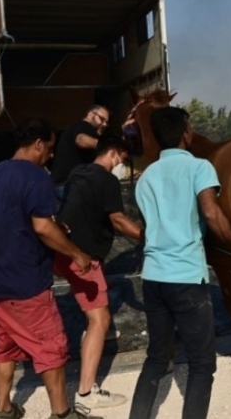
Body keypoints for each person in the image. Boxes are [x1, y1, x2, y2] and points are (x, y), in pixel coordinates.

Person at [128, 106, 231, 419]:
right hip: (185, 276)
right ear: (187, 132)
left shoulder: (145, 177)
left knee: (157, 359)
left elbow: (148, 226)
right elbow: (212, 213)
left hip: (153, 277)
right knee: (202, 365)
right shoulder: (199, 167)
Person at [0, 119, 100, 419]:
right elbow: (42, 227)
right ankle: (62, 413)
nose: (53, 155)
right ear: (39, 144)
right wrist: (76, 254)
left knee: (3, 345)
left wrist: (56, 229)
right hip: (22, 280)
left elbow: (11, 221)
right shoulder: (36, 176)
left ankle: (4, 410)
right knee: (51, 345)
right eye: (51, 148)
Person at [54, 135, 144, 411]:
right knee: (100, 319)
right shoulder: (107, 180)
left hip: (62, 250)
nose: (122, 165)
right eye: (123, 159)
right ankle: (85, 391)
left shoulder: (78, 172)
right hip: (83, 258)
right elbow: (118, 220)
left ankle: (89, 342)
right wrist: (149, 237)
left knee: (93, 313)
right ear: (114, 153)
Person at [51, 105, 110, 201]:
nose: (104, 124)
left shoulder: (74, 127)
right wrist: (107, 146)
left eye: (106, 122)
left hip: (62, 184)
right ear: (90, 115)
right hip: (69, 186)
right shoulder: (84, 126)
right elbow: (81, 140)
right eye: (102, 119)